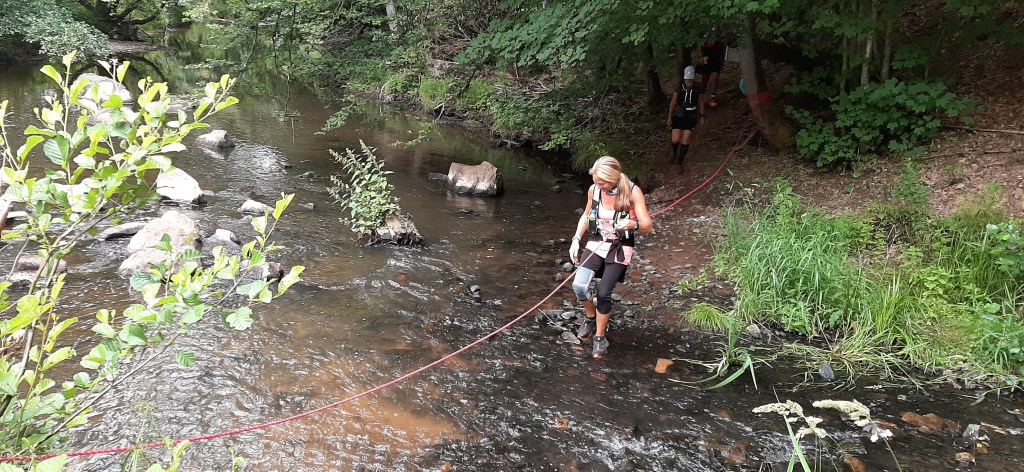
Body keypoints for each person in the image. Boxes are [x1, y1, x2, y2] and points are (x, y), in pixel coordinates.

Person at [568, 156, 653, 359]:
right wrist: (576, 239)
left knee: (604, 293)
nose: (598, 186)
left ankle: (600, 337)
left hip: (620, 246)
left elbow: (648, 226)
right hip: (597, 243)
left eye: (602, 183)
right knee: (579, 286)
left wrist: (634, 225)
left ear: (614, 179)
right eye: (596, 181)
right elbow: (586, 215)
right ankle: (590, 316)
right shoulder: (594, 190)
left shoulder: (632, 192)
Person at [665, 66, 705, 173]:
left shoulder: (697, 88)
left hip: (691, 114)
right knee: (675, 139)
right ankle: (674, 152)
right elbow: (673, 101)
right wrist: (669, 115)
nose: (689, 81)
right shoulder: (679, 87)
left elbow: (701, 101)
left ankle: (679, 162)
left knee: (685, 139)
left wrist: (702, 115)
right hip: (679, 113)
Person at [697, 24, 726, 108]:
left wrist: (723, 59)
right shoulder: (707, 33)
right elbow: (700, 45)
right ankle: (700, 97)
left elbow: (723, 47)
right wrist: (701, 56)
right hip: (707, 58)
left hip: (716, 59)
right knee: (704, 80)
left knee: (715, 78)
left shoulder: (721, 34)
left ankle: (713, 98)